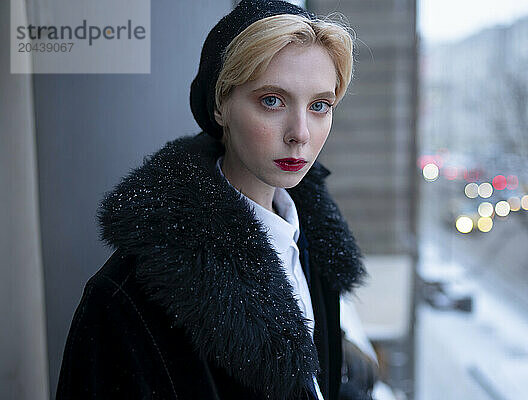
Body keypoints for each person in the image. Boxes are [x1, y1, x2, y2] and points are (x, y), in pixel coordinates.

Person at [56, 0, 366, 399]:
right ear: (221, 105)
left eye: (319, 105)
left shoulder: (313, 248)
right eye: (272, 100)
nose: (300, 133)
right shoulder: (125, 301)